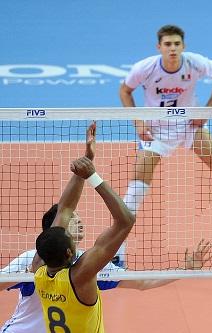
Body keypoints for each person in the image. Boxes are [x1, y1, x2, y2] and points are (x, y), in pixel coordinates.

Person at [118, 24, 212, 262]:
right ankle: (117, 252)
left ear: (183, 46)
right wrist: (138, 122)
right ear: (159, 47)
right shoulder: (145, 68)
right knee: (135, 192)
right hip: (156, 130)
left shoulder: (194, 63)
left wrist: (206, 110)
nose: (172, 49)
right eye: (167, 44)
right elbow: (125, 91)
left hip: (189, 126)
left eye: (176, 44)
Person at [0, 203, 212, 333]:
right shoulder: (33, 260)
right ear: (57, 228)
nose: (80, 220)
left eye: (78, 216)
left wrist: (185, 269)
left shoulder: (89, 264)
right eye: (72, 218)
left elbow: (143, 282)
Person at [30, 121, 137, 333]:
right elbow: (126, 220)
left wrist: (87, 161)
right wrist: (92, 176)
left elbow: (65, 209)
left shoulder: (38, 269)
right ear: (70, 251)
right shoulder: (80, 277)